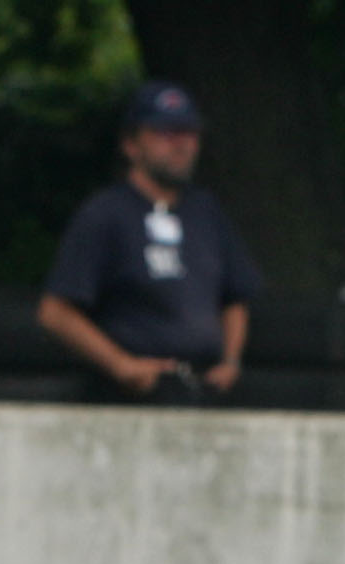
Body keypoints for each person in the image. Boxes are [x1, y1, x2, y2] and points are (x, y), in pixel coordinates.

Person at [39, 81, 263, 402]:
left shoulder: (208, 213)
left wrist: (230, 361)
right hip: (129, 395)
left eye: (189, 133)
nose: (180, 144)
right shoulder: (104, 215)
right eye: (165, 133)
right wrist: (122, 366)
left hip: (204, 390)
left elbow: (234, 298)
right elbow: (55, 312)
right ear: (131, 145)